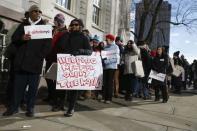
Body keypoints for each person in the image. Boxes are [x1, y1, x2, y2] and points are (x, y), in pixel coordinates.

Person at [3, 5, 51, 117]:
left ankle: (30, 108)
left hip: (35, 64)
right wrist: (21, 38)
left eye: (39, 11)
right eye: (34, 11)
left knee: (33, 90)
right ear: (29, 13)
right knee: (17, 88)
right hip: (21, 64)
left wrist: (39, 56)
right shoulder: (23, 25)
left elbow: (47, 46)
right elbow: (14, 39)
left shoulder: (44, 27)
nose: (37, 13)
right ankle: (13, 108)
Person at [58, 18, 92, 117]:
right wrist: (67, 34)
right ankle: (60, 104)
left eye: (76, 24)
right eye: (72, 25)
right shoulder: (66, 35)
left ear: (80, 26)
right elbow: (61, 46)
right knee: (62, 86)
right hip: (65, 64)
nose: (74, 26)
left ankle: (71, 108)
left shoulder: (84, 37)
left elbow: (89, 51)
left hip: (76, 65)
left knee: (73, 88)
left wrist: (80, 51)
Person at [45, 13, 68, 111]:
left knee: (55, 80)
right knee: (48, 77)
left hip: (57, 59)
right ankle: (51, 96)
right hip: (50, 57)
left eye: (56, 20)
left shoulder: (66, 32)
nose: (54, 22)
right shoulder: (53, 30)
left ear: (60, 21)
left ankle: (56, 100)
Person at [101, 34, 120, 103]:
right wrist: (103, 61)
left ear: (111, 40)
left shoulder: (116, 47)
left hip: (112, 67)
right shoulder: (105, 47)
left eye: (107, 39)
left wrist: (106, 61)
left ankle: (108, 98)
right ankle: (104, 97)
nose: (106, 40)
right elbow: (103, 57)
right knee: (105, 82)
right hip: (105, 67)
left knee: (109, 83)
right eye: (106, 39)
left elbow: (116, 59)